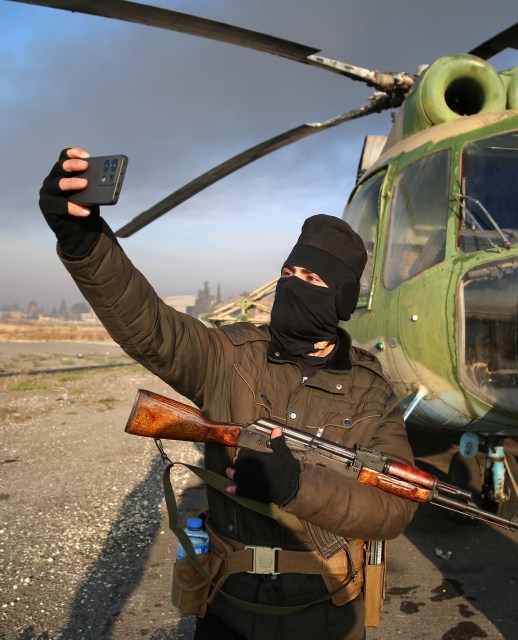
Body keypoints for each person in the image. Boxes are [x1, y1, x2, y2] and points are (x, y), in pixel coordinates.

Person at [38, 148, 417, 640]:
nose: (294, 287)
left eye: (313, 279)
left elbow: (393, 507)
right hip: (228, 605)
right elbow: (150, 326)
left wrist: (298, 487)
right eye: (289, 275)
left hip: (326, 613)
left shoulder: (372, 392)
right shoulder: (230, 356)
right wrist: (83, 241)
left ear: (340, 299)